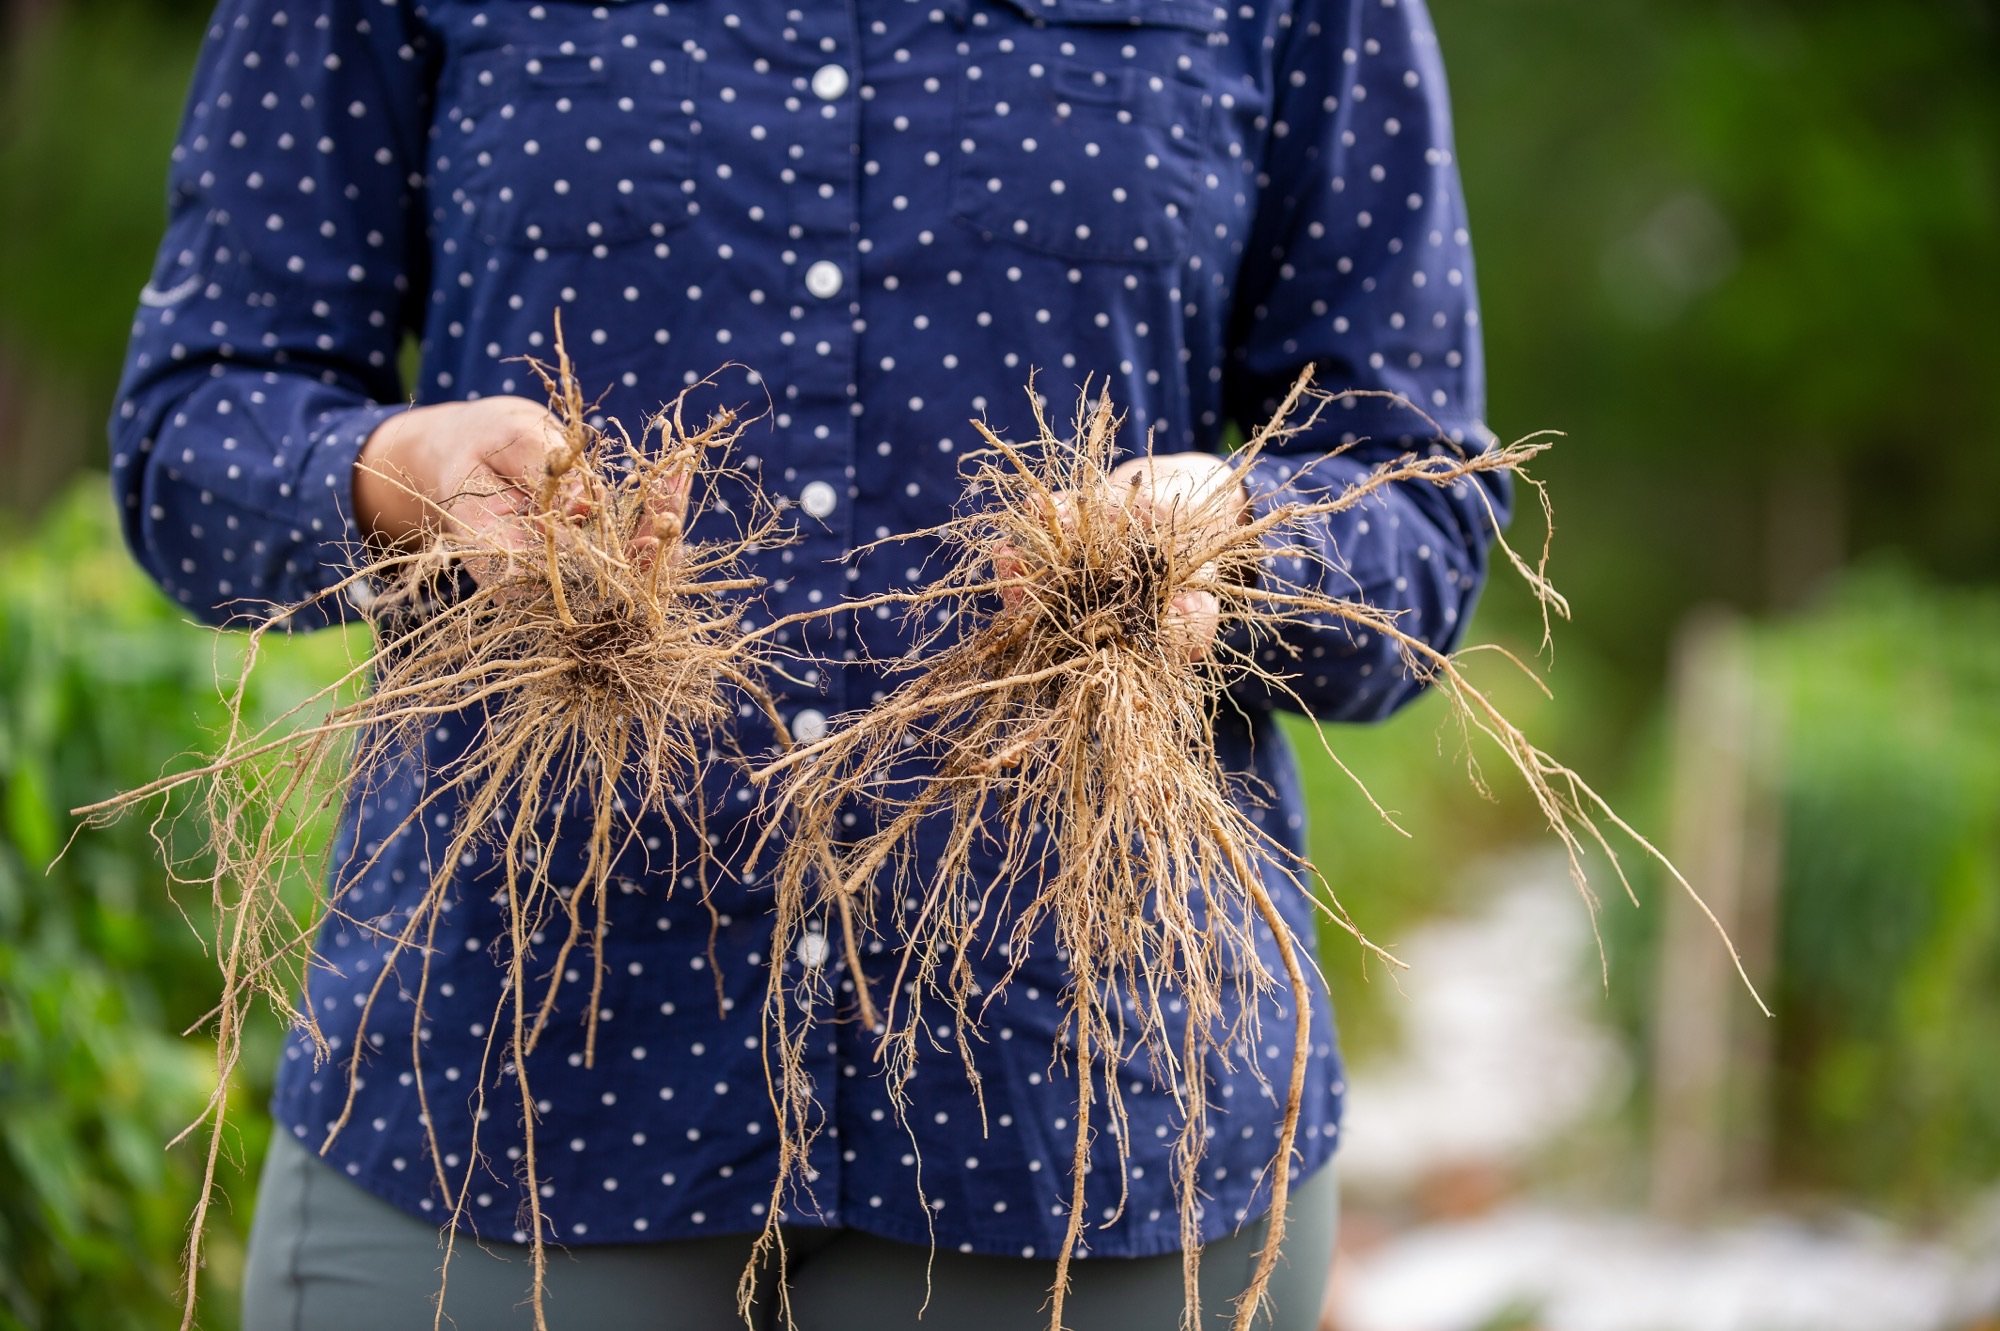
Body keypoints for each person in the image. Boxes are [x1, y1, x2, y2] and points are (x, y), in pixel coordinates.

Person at [112, 0, 1506, 1325]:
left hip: (1089, 1111)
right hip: (506, 1092)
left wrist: (1239, 544)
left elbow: (1421, 499)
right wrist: (394, 476)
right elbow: (198, 427)